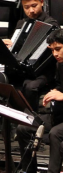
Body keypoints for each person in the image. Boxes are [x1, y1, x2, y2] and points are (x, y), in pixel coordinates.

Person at [2, 0, 60, 111]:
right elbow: (16, 49)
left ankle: (31, 120)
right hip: (22, 69)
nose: (31, 11)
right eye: (26, 7)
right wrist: (9, 46)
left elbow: (50, 55)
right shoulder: (21, 24)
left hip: (45, 71)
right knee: (3, 78)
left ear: (42, 2)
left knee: (30, 86)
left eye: (34, 5)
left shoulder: (52, 24)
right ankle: (11, 119)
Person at [16, 29, 63, 173]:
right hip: (59, 116)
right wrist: (55, 91)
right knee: (23, 128)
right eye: (52, 50)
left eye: (58, 49)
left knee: (55, 133)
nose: (55, 54)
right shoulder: (60, 64)